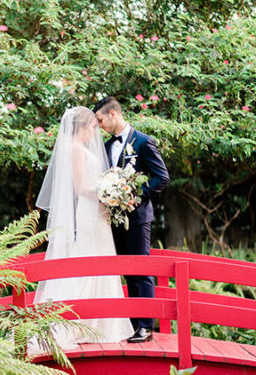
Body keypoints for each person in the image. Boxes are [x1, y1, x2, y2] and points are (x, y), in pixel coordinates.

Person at [31, 106, 134, 352]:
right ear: (82, 127)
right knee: (93, 260)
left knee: (102, 260)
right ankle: (83, 323)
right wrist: (108, 194)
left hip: (96, 214)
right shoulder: (75, 149)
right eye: (91, 128)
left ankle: (102, 323)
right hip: (89, 213)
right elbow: (79, 188)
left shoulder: (79, 148)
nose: (94, 133)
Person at [93, 96, 170, 343]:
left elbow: (161, 178)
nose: (100, 125)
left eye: (101, 119)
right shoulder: (105, 147)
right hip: (113, 221)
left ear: (113, 113)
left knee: (141, 272)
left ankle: (145, 326)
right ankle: (131, 325)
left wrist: (132, 194)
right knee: (123, 273)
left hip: (137, 218)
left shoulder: (144, 142)